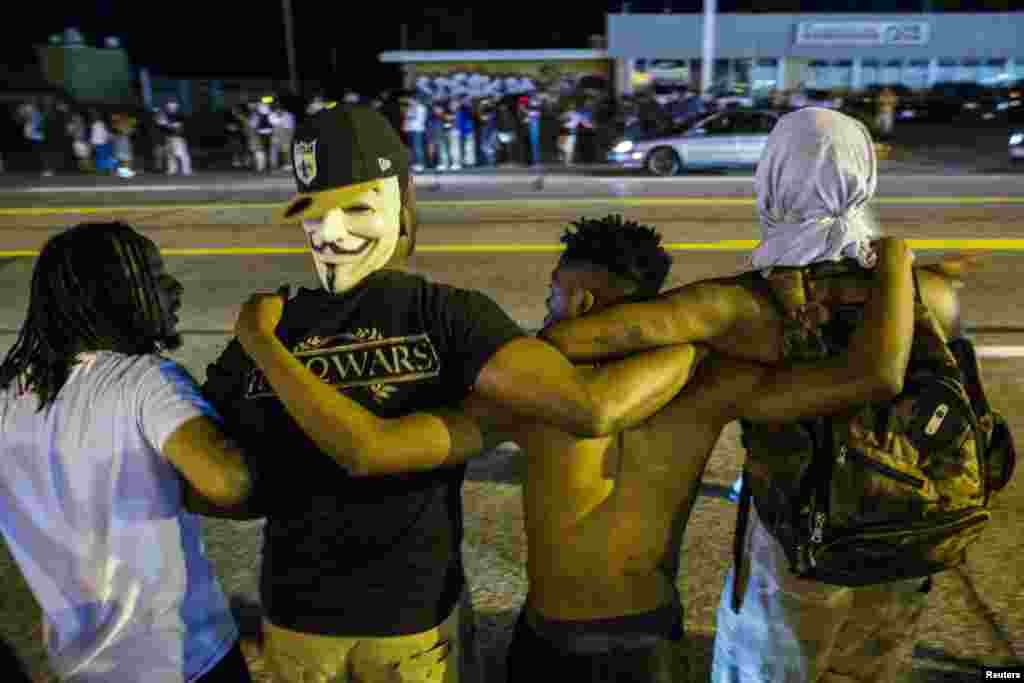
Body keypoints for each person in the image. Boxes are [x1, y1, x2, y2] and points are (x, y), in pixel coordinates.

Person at [201, 104, 699, 683]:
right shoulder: (450, 316)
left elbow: (221, 490)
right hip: (413, 618)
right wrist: (703, 336)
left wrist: (262, 355)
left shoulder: (271, 325)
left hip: (299, 614)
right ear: (406, 203)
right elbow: (590, 406)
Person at [538, 107, 966, 683]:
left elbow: (574, 338)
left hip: (801, 539)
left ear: (773, 179)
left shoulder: (738, 305)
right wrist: (895, 261)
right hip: (909, 529)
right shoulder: (928, 291)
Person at [0, 222, 254, 682]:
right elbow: (230, 482)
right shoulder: (143, 381)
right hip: (185, 660)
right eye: (154, 277)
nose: (174, 288)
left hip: (82, 667)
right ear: (114, 294)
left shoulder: (6, 398)